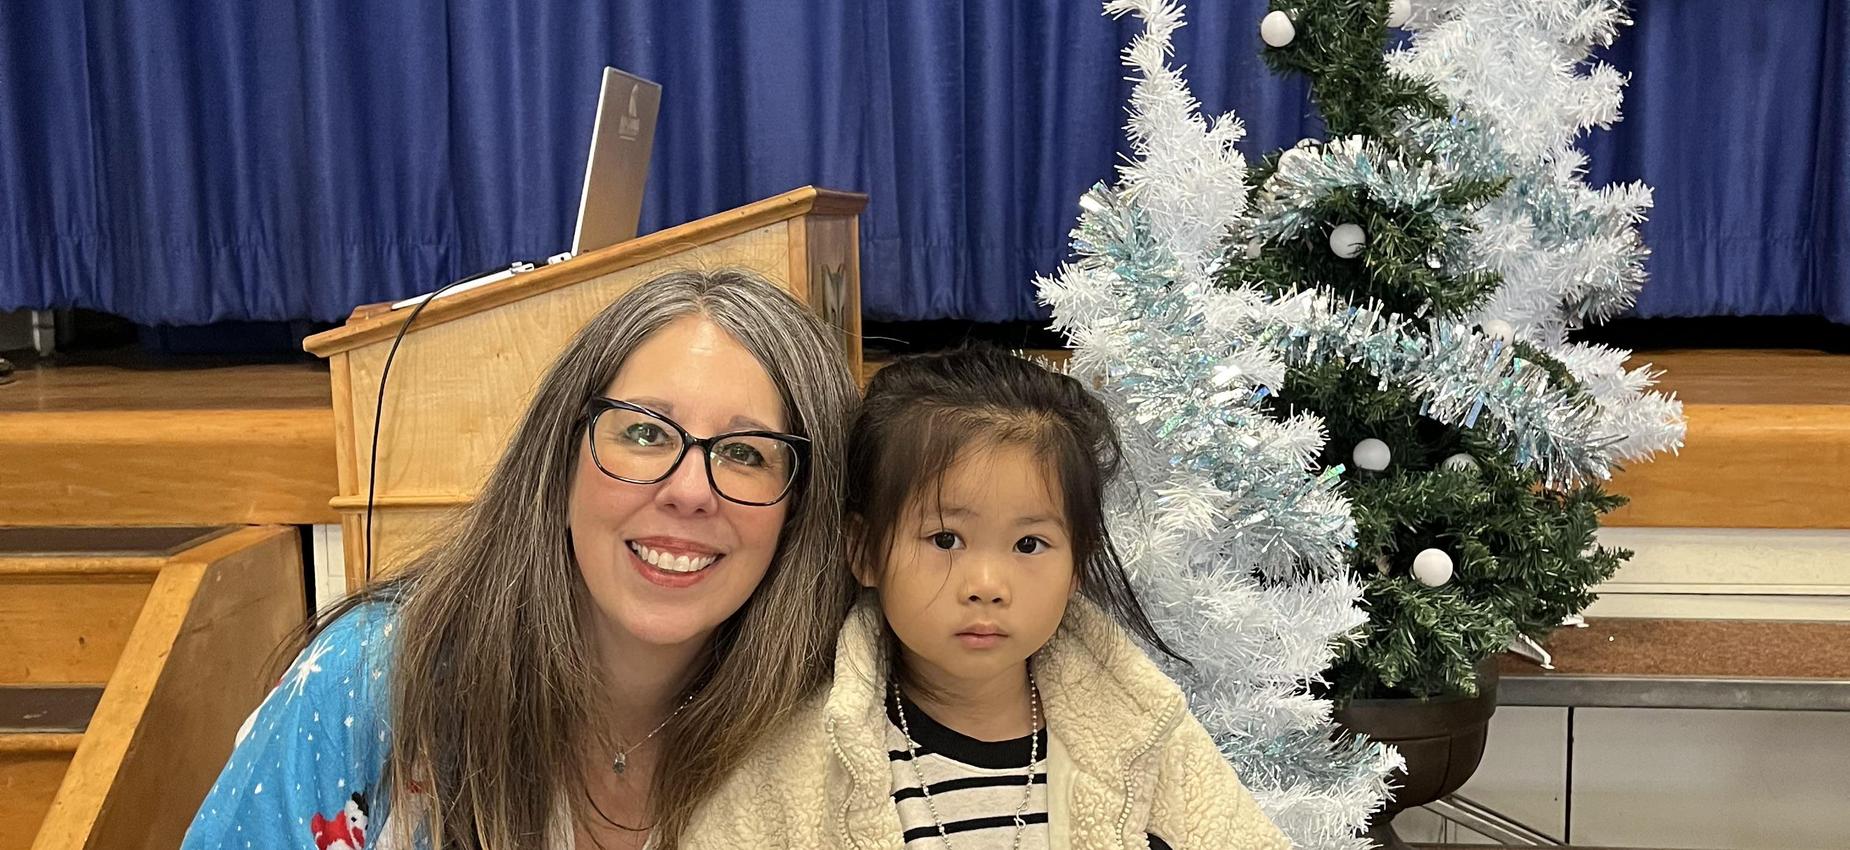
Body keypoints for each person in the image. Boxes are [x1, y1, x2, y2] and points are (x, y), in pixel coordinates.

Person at [181, 268, 860, 850]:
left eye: (745, 454)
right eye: (646, 433)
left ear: (800, 509)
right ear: (558, 464)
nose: (688, 491)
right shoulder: (374, 677)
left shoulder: (838, 719)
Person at [685, 347, 1288, 849]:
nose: (988, 586)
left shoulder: (1145, 735)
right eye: (945, 538)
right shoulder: (800, 763)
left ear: (1077, 561)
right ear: (864, 550)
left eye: (1030, 544)